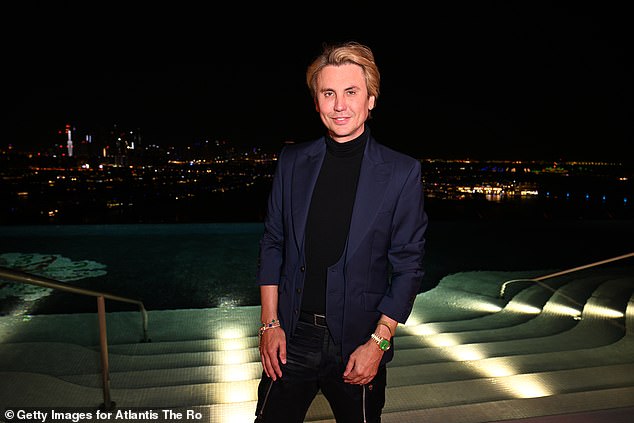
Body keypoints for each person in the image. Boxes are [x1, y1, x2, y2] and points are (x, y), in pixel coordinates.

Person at [254, 41, 427, 423]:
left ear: (371, 99)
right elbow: (273, 242)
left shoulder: (401, 172)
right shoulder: (293, 161)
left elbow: (408, 267)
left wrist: (378, 344)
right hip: (290, 338)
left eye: (351, 92)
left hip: (359, 343)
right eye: (328, 93)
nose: (339, 105)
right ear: (316, 102)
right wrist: (269, 324)